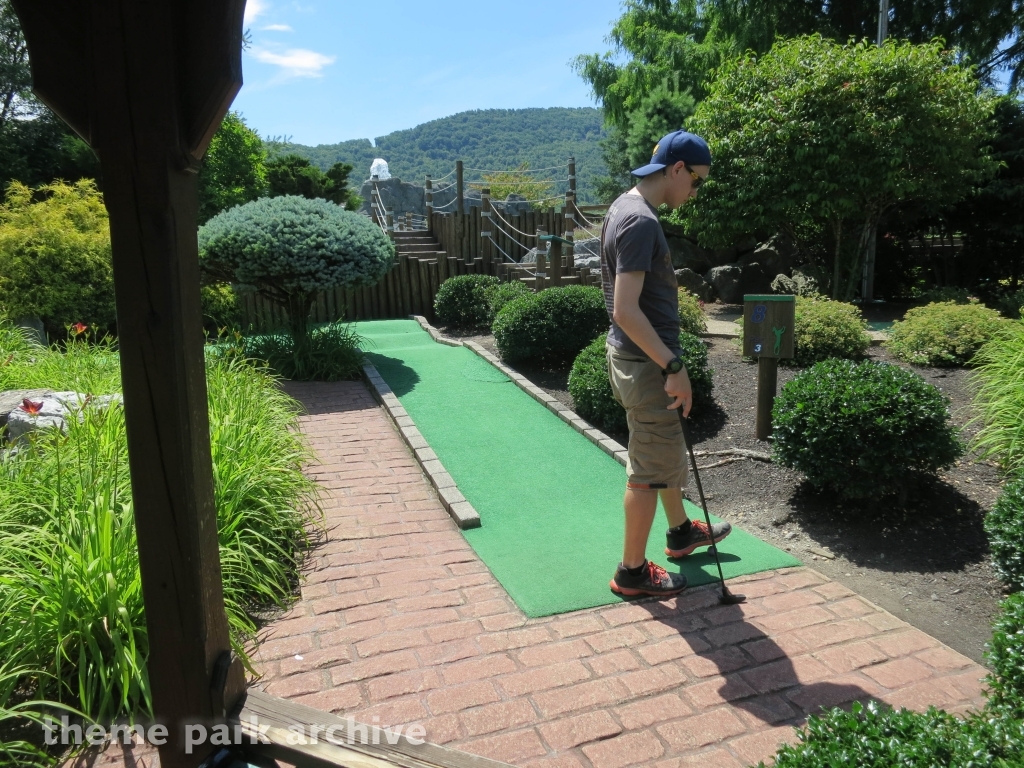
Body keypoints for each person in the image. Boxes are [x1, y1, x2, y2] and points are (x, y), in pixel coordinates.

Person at [602, 129, 732, 597]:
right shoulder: (641, 221)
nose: (695, 192)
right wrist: (673, 366)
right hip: (646, 362)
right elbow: (626, 309)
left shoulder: (624, 205)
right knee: (648, 469)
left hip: (634, 358)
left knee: (663, 450)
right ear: (677, 169)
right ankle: (632, 573)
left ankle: (681, 533)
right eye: (696, 181)